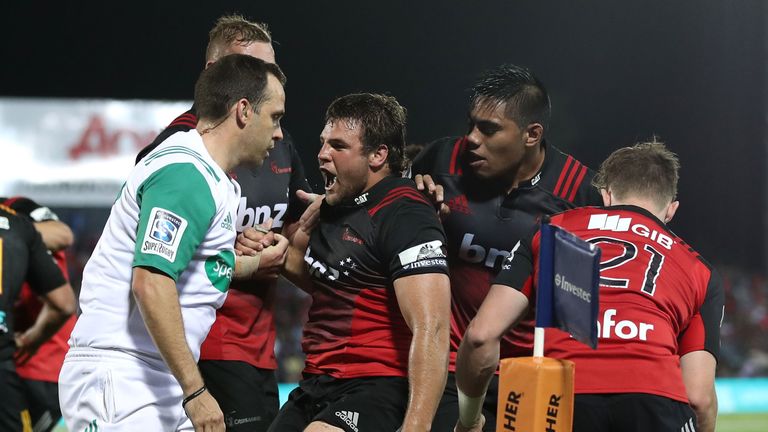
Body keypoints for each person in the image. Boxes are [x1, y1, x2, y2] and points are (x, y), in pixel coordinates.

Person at [58, 54, 287, 432]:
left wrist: (253, 264)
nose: (279, 133)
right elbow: (151, 281)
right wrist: (196, 392)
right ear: (244, 111)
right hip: (124, 374)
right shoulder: (187, 173)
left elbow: (197, 267)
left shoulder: (214, 179)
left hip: (153, 375)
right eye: (275, 117)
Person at [454, 141, 723, 432]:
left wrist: (469, 421)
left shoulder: (549, 229)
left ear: (606, 196)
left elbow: (481, 335)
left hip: (562, 396)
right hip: (653, 397)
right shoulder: (700, 269)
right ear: (671, 210)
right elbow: (698, 398)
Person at [137, 14, 312, 431]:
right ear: (217, 75)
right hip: (201, 349)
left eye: (271, 69)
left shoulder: (278, 144)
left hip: (259, 347)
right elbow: (152, 265)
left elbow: (296, 237)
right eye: (253, 68)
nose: (266, 79)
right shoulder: (179, 154)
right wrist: (232, 245)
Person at [409, 63, 603, 429]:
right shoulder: (439, 162)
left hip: (531, 374)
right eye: (471, 124)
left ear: (532, 134)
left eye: (488, 129)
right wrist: (413, 210)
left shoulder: (580, 192)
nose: (471, 138)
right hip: (451, 368)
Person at [259, 93, 451, 432]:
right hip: (316, 383)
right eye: (322, 143)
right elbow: (326, 278)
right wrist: (268, 248)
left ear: (377, 155)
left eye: (338, 146)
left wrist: (417, 426)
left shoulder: (406, 213)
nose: (321, 154)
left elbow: (432, 327)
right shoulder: (334, 206)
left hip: (377, 386)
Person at [1, 196, 76, 432]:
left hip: (43, 361)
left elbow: (62, 234)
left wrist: (12, 227)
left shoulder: (16, 208)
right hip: (13, 358)